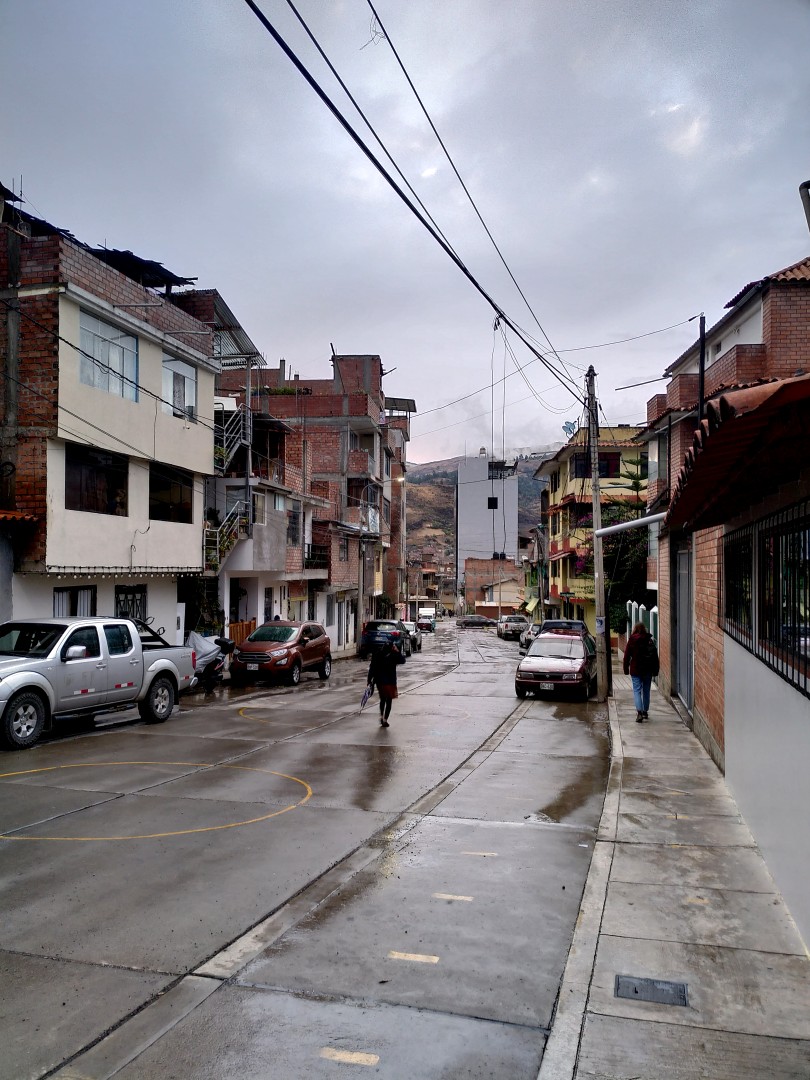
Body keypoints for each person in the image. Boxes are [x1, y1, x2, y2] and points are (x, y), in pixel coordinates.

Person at [623, 621, 659, 722]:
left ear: (634, 629)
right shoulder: (649, 640)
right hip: (647, 670)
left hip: (635, 669)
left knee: (637, 690)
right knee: (646, 690)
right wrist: (656, 670)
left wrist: (626, 669)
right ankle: (645, 711)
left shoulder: (632, 640)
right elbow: (655, 657)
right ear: (644, 629)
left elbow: (626, 656)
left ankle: (639, 712)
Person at [367, 641, 405, 727]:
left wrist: (369, 681)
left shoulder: (377, 654)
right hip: (390, 682)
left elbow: (372, 668)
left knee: (382, 699)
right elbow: (403, 660)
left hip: (379, 682)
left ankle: (381, 715)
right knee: (389, 701)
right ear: (392, 647)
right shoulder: (393, 655)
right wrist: (397, 651)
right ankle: (385, 719)